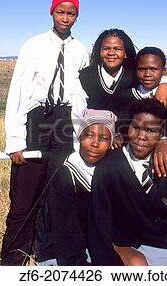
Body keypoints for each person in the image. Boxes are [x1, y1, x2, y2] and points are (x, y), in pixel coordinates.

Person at [0, 0, 89, 266]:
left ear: (77, 16)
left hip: (65, 122)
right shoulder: (34, 45)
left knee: (56, 192)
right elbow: (18, 91)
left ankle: (46, 255)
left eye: (71, 13)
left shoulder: (80, 49)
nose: (65, 17)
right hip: (37, 121)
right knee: (25, 196)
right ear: (51, 12)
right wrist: (15, 140)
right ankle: (12, 261)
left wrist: (79, 137)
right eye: (61, 12)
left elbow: (81, 95)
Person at [87, 99, 167, 266]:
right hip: (130, 242)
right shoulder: (109, 167)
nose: (141, 136)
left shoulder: (166, 161)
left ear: (161, 134)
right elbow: (99, 218)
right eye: (136, 127)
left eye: (150, 130)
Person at [48, 109, 116, 265]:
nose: (94, 144)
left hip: (96, 246)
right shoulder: (66, 175)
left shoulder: (108, 169)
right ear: (79, 137)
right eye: (89, 135)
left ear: (111, 144)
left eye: (104, 138)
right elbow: (65, 234)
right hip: (66, 253)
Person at [79, 30, 167, 141]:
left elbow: (153, 76)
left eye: (117, 49)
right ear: (99, 51)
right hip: (92, 137)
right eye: (106, 48)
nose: (111, 53)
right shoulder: (85, 76)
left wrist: (165, 84)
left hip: (124, 138)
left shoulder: (133, 75)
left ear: (126, 52)